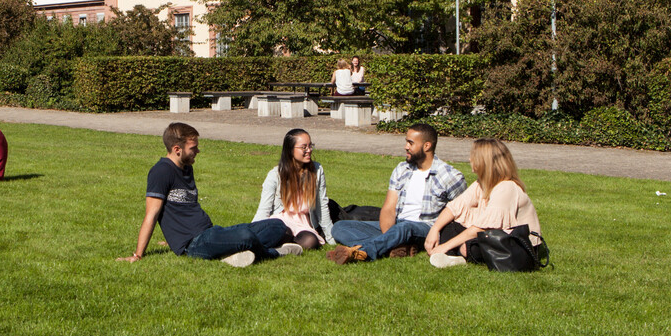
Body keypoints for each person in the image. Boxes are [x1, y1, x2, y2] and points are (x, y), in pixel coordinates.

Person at [118, 122, 300, 267]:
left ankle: (232, 253)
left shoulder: (186, 168)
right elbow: (152, 214)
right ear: (177, 149)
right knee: (245, 236)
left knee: (277, 226)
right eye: (193, 147)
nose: (197, 151)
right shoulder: (161, 172)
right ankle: (273, 253)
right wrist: (138, 255)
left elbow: (182, 210)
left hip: (211, 232)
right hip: (194, 244)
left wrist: (169, 240)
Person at [327, 123, 466, 264]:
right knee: (340, 227)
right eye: (406, 142)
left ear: (427, 146)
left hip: (425, 228)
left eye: (410, 143)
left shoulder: (450, 176)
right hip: (398, 225)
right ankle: (394, 247)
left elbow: (460, 214)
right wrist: (390, 235)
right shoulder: (401, 169)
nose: (406, 147)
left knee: (404, 228)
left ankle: (362, 253)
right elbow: (388, 208)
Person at [424, 138, 542, 269]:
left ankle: (453, 254)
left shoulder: (506, 187)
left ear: (484, 162)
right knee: (448, 226)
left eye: (473, 156)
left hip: (515, 244)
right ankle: (450, 257)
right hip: (492, 235)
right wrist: (434, 230)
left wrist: (445, 245)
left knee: (468, 247)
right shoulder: (481, 184)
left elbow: (483, 228)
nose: (470, 160)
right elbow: (454, 207)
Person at [252, 129, 334, 250]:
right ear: (290, 150)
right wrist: (251, 231)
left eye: (310, 146)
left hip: (303, 223)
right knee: (282, 234)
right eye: (304, 147)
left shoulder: (317, 170)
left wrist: (331, 237)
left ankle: (285, 247)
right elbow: (264, 209)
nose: (309, 150)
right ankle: (283, 244)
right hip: (280, 221)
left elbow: (322, 205)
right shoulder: (275, 174)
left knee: (310, 242)